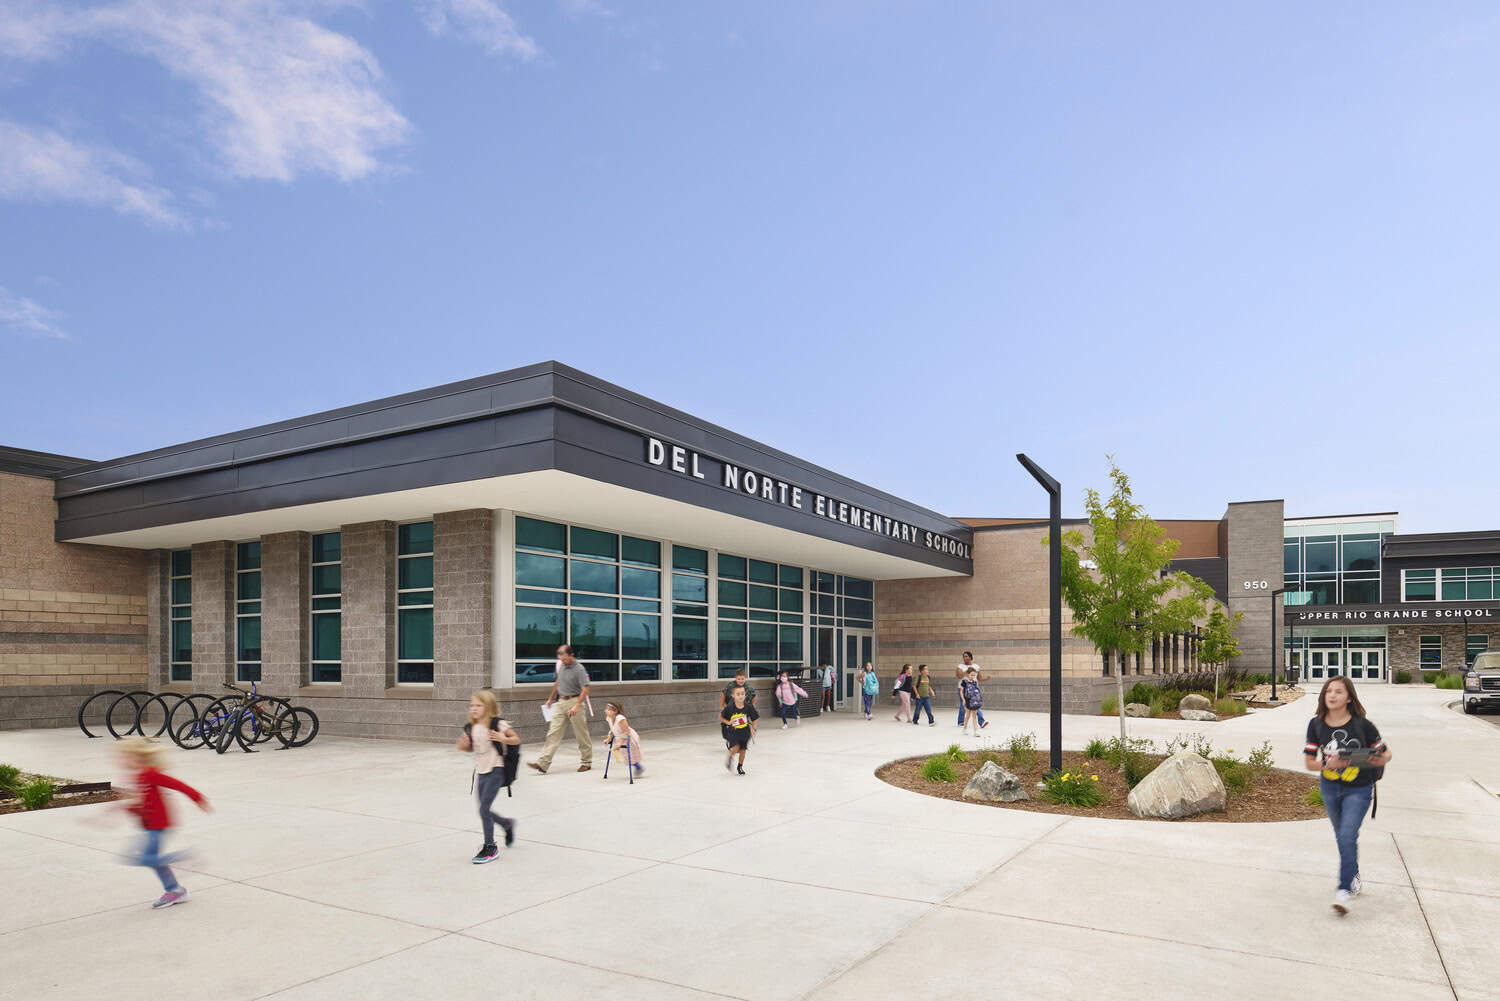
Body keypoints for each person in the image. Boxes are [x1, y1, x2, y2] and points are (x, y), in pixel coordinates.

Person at [1304, 675, 1391, 915]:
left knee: (1347, 835)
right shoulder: (1316, 725)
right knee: (1342, 836)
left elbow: (1386, 755)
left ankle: (1343, 891)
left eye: (1339, 692)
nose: (1332, 695)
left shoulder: (1363, 725)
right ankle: (1353, 874)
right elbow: (1310, 763)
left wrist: (1359, 758)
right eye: (1328, 691)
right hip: (1330, 788)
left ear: (1349, 698)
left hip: (1359, 788)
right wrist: (1327, 766)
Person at [115, 736, 211, 908]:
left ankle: (184, 858)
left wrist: (198, 798)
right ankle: (175, 890)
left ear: (139, 756)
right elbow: (141, 803)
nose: (122, 760)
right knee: (150, 860)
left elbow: (177, 784)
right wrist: (127, 807)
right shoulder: (136, 777)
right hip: (149, 826)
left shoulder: (150, 773)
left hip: (159, 826)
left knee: (148, 859)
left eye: (126, 756)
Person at [457, 690, 520, 863]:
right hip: (482, 772)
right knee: (483, 810)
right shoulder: (472, 726)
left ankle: (490, 847)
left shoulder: (497, 724)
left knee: (484, 809)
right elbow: (472, 748)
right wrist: (463, 746)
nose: (474, 708)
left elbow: (516, 739)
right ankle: (506, 824)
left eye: (479, 705)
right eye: (472, 705)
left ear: (489, 707)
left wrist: (503, 738)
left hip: (496, 770)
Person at [529, 644, 593, 773]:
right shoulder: (562, 665)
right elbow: (558, 683)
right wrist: (550, 698)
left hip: (575, 701)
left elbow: (585, 689)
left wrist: (576, 705)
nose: (562, 661)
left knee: (581, 734)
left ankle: (586, 762)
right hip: (561, 702)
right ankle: (543, 764)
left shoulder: (579, 669)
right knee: (553, 733)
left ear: (571, 655)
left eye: (564, 658)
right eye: (560, 658)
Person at [719, 685, 759, 775]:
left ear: (745, 695)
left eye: (742, 694)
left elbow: (755, 719)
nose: (740, 696)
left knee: (743, 751)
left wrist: (754, 729)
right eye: (738, 694)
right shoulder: (730, 707)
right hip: (733, 732)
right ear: (733, 695)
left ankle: (740, 766)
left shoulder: (748, 707)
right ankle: (730, 757)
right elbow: (720, 717)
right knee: (736, 747)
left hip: (745, 732)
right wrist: (728, 722)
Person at [602, 700, 644, 778]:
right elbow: (612, 730)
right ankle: (638, 767)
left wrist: (619, 743)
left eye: (608, 709)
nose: (605, 711)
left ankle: (639, 767)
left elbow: (626, 732)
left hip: (629, 738)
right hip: (620, 738)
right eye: (606, 709)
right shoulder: (609, 718)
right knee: (626, 756)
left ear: (615, 711)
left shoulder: (620, 718)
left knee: (631, 755)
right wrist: (608, 739)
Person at [720, 668, 758, 745]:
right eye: (739, 679)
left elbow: (754, 696)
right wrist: (722, 705)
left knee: (741, 727)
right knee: (725, 726)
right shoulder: (731, 686)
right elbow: (724, 694)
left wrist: (752, 706)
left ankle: (739, 741)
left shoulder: (749, 688)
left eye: (742, 679)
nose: (741, 680)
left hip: (743, 710)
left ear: (745, 678)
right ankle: (730, 738)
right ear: (736, 678)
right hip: (731, 709)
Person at [955, 651, 990, 727]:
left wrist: (986, 679)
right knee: (963, 705)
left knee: (975, 704)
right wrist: (967, 671)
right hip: (963, 688)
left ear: (970, 657)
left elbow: (979, 678)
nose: (965, 658)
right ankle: (961, 721)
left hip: (974, 688)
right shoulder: (960, 666)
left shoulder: (976, 666)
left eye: (967, 656)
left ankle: (982, 722)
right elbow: (959, 676)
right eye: (964, 656)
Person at [959, 667, 989, 735]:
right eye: (971, 675)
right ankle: (965, 728)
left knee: (974, 716)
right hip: (967, 701)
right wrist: (963, 700)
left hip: (974, 701)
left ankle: (975, 732)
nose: (973, 677)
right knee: (967, 716)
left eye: (974, 675)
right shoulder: (964, 682)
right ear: (968, 674)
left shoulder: (975, 682)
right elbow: (961, 691)